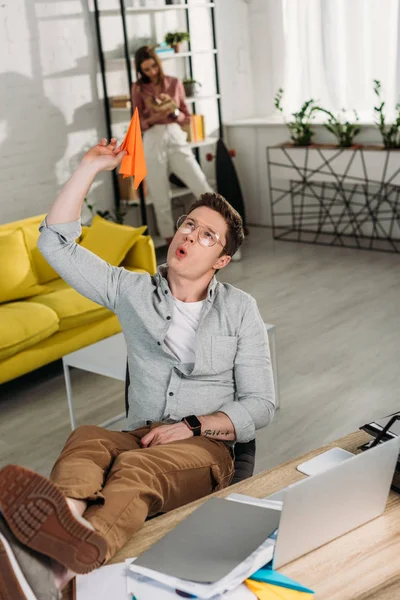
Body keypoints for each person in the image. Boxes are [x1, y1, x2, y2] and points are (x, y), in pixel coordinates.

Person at [0, 138, 275, 599]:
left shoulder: (240, 310)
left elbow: (261, 405)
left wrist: (190, 426)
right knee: (87, 437)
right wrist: (89, 166)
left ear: (221, 260)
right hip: (139, 430)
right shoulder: (131, 290)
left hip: (205, 449)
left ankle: (59, 570)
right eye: (189, 224)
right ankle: (57, 535)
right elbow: (55, 242)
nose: (190, 234)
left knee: (136, 468)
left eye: (208, 235)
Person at [131, 45, 213, 244]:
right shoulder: (139, 88)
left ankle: (219, 232)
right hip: (152, 138)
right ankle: (171, 243)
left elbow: (185, 116)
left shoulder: (174, 83)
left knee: (201, 184)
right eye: (146, 69)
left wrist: (173, 111)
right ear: (140, 70)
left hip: (175, 136)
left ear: (158, 64)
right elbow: (136, 122)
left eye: (153, 67)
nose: (151, 72)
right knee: (160, 195)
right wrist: (153, 118)